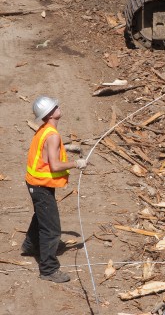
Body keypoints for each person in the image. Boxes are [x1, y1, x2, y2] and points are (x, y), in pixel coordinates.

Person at [21, 96, 88, 283]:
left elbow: (48, 154)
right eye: (55, 106)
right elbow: (55, 165)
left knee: (42, 215)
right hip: (41, 185)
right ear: (50, 114)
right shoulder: (52, 135)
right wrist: (77, 163)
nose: (59, 107)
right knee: (51, 229)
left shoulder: (45, 130)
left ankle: (30, 246)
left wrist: (68, 148)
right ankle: (49, 270)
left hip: (36, 182)